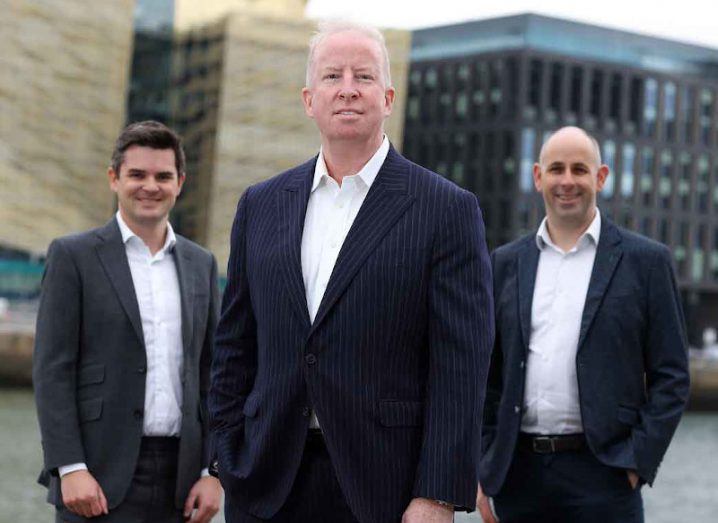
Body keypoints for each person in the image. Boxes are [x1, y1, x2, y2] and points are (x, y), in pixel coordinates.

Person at [209, 21, 494, 523]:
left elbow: (460, 368)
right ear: (308, 99)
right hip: (265, 482)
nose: (346, 88)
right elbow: (235, 345)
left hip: (385, 488)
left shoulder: (446, 209)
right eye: (331, 76)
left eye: (362, 76)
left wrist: (437, 495)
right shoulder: (260, 204)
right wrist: (224, 455)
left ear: (387, 97)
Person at [477, 126, 690, 523]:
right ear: (538, 177)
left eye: (580, 169)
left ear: (601, 177)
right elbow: (485, 376)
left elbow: (672, 375)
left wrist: (635, 462)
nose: (567, 181)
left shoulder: (646, 263)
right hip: (517, 477)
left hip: (605, 476)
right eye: (557, 169)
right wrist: (485, 464)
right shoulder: (505, 263)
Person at [33, 121, 222, 523]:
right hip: (96, 477)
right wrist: (69, 467)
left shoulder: (200, 263)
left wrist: (213, 471)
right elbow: (53, 370)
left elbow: (213, 374)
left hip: (182, 482)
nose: (149, 186)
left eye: (162, 176)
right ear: (114, 179)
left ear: (180, 182)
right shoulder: (73, 256)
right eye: (137, 174)